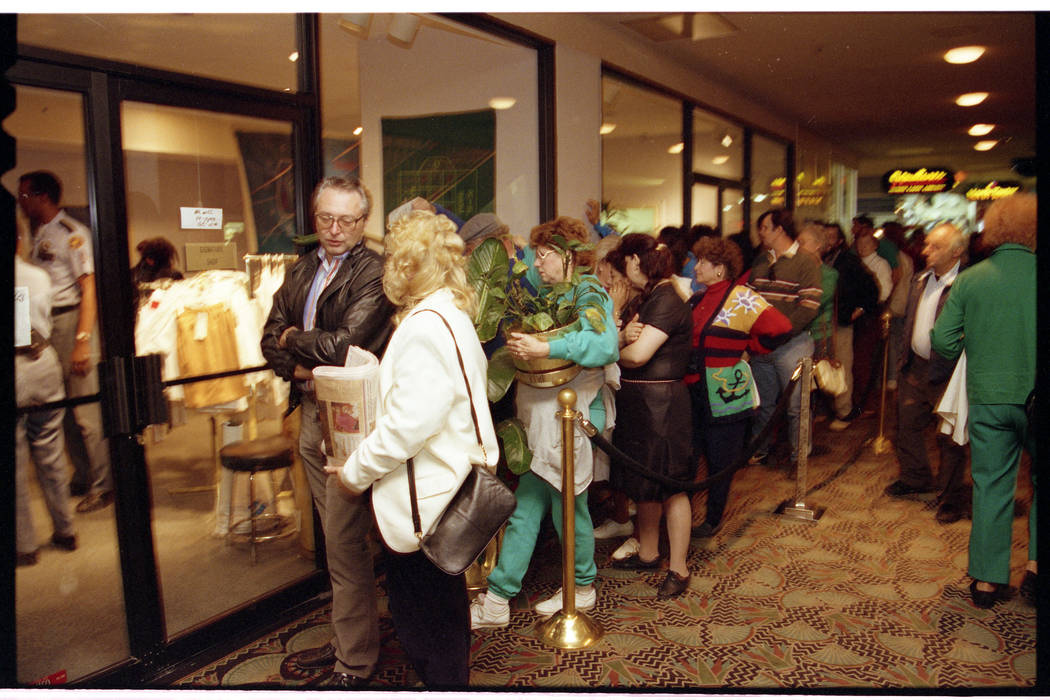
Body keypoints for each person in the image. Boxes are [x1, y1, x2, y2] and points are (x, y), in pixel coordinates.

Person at [326, 210, 498, 686]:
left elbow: (409, 426)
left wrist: (353, 472)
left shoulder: (424, 325)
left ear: (406, 267)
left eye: (392, 263)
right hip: (449, 490)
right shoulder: (452, 314)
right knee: (444, 618)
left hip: (427, 502)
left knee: (426, 627)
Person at [261, 176, 394, 687]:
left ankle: (355, 662)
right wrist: (295, 356)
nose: (335, 230)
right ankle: (349, 640)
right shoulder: (302, 269)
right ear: (314, 218)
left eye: (347, 220)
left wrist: (295, 340)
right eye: (326, 219)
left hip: (351, 420)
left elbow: (346, 345)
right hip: (311, 412)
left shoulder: (374, 271)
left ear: (364, 223)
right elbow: (268, 339)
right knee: (333, 539)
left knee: (342, 541)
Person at [471, 216, 619, 628]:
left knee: (569, 507)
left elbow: (604, 344)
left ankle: (582, 588)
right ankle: (500, 598)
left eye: (545, 254)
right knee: (527, 507)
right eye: (535, 255)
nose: (537, 263)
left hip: (572, 416)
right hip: (541, 416)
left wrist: (546, 344)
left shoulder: (589, 291)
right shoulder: (541, 293)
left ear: (569, 256)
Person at [931, 194, 1036, 609]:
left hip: (989, 397)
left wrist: (975, 343)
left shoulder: (971, 279)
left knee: (991, 484)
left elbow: (941, 339)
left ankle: (987, 583)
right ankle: (1035, 573)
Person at [18, 171, 112, 513]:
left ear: (43, 197)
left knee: (87, 411)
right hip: (48, 324)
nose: (21, 201)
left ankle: (104, 486)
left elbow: (89, 288)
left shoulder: (73, 234)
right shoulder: (36, 234)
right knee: (66, 412)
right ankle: (84, 476)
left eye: (25, 196)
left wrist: (82, 340)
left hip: (72, 320)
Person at [686, 237, 791, 538]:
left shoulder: (743, 297)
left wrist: (751, 348)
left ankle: (712, 519)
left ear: (720, 269)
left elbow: (781, 328)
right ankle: (684, 519)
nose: (697, 266)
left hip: (723, 393)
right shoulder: (697, 298)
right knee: (691, 458)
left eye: (704, 261)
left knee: (720, 460)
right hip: (692, 392)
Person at [609, 234, 694, 599]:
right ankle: (648, 552)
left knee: (672, 487)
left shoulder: (667, 299)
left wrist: (616, 347)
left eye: (625, 265)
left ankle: (679, 567)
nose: (624, 274)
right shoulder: (653, 295)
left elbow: (639, 355)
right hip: (643, 402)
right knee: (645, 484)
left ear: (636, 261)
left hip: (663, 404)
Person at [884, 223, 969, 523]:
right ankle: (916, 477)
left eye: (935, 246)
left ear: (957, 251)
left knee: (949, 436)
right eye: (927, 244)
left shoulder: (966, 283)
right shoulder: (920, 279)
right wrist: (903, 361)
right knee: (905, 426)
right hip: (915, 368)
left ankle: (951, 498)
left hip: (949, 372)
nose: (925, 251)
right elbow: (910, 322)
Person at [15, 219, 78, 566]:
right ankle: (66, 529)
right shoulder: (37, 274)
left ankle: (24, 545)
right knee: (51, 451)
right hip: (43, 361)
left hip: (15, 367)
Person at [746, 209, 822, 467]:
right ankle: (761, 447)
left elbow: (809, 306)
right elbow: (750, 301)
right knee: (764, 404)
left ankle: (800, 455)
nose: (761, 233)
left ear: (780, 229)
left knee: (796, 405)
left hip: (792, 344)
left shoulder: (804, 262)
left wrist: (781, 330)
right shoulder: (760, 261)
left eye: (765, 227)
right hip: (761, 345)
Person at [823, 222, 879, 431]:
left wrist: (860, 309)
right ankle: (828, 409)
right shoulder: (819, 259)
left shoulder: (848, 261)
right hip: (822, 323)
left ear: (839, 241)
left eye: (831, 237)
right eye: (824, 236)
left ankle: (845, 411)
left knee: (842, 366)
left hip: (841, 322)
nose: (827, 241)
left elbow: (871, 288)